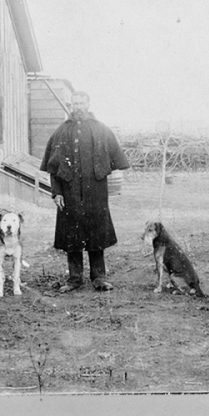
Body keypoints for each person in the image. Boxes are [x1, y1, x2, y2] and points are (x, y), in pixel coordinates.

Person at [39, 91, 130, 292]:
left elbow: (115, 161)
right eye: (75, 103)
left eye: (82, 102)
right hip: (69, 192)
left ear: (88, 104)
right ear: (70, 105)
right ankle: (74, 279)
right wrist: (57, 193)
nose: (78, 106)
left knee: (96, 233)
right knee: (72, 235)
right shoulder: (61, 132)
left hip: (95, 191)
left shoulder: (101, 130)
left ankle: (99, 277)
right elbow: (53, 169)